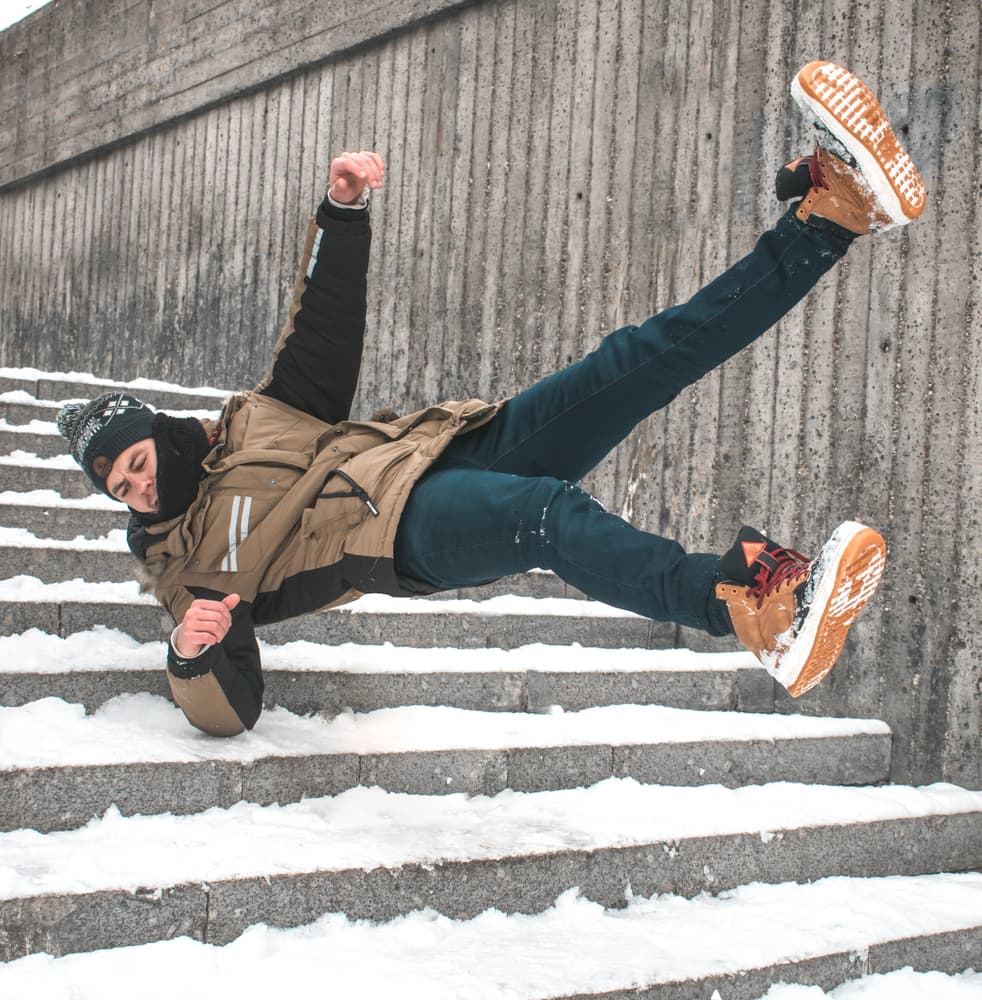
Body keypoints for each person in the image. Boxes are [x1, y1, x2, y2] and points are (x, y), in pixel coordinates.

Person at [57, 61, 926, 737]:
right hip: (395, 534)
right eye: (120, 490)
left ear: (159, 432)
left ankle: (831, 217)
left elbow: (317, 330)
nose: (137, 488)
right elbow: (228, 705)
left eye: (133, 463)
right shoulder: (183, 571)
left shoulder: (254, 421)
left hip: (445, 448)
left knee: (638, 361)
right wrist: (189, 656)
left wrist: (341, 212)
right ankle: (754, 612)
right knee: (545, 517)